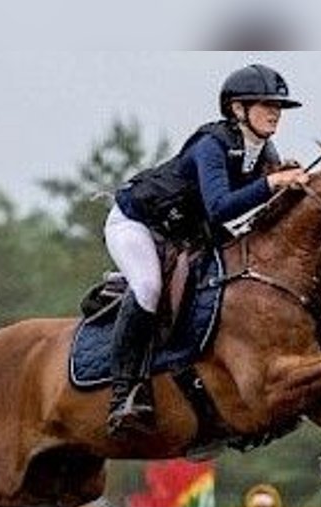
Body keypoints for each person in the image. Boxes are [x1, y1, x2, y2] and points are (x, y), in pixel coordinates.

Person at [104, 63, 310, 438]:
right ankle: (124, 393)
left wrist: (286, 187)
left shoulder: (265, 150)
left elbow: (258, 211)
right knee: (148, 287)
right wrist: (271, 182)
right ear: (237, 109)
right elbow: (219, 206)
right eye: (265, 104)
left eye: (278, 106)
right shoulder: (211, 145)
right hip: (138, 224)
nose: (275, 112)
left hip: (186, 233)